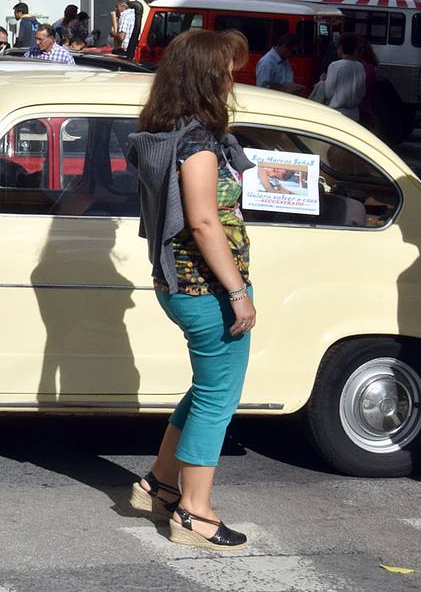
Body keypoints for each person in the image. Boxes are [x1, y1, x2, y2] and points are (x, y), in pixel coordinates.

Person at [127, 30, 256, 550]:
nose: (233, 78)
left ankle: (158, 484)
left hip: (176, 282)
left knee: (206, 389)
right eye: (227, 69)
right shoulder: (197, 143)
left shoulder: (168, 133)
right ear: (206, 77)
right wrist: (238, 292)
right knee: (218, 398)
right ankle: (194, 513)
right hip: (206, 289)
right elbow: (204, 223)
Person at [316, 33, 366, 121]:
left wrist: (323, 82)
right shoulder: (360, 66)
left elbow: (328, 93)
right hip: (354, 114)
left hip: (337, 114)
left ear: (341, 48)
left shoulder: (335, 66)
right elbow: (362, 93)